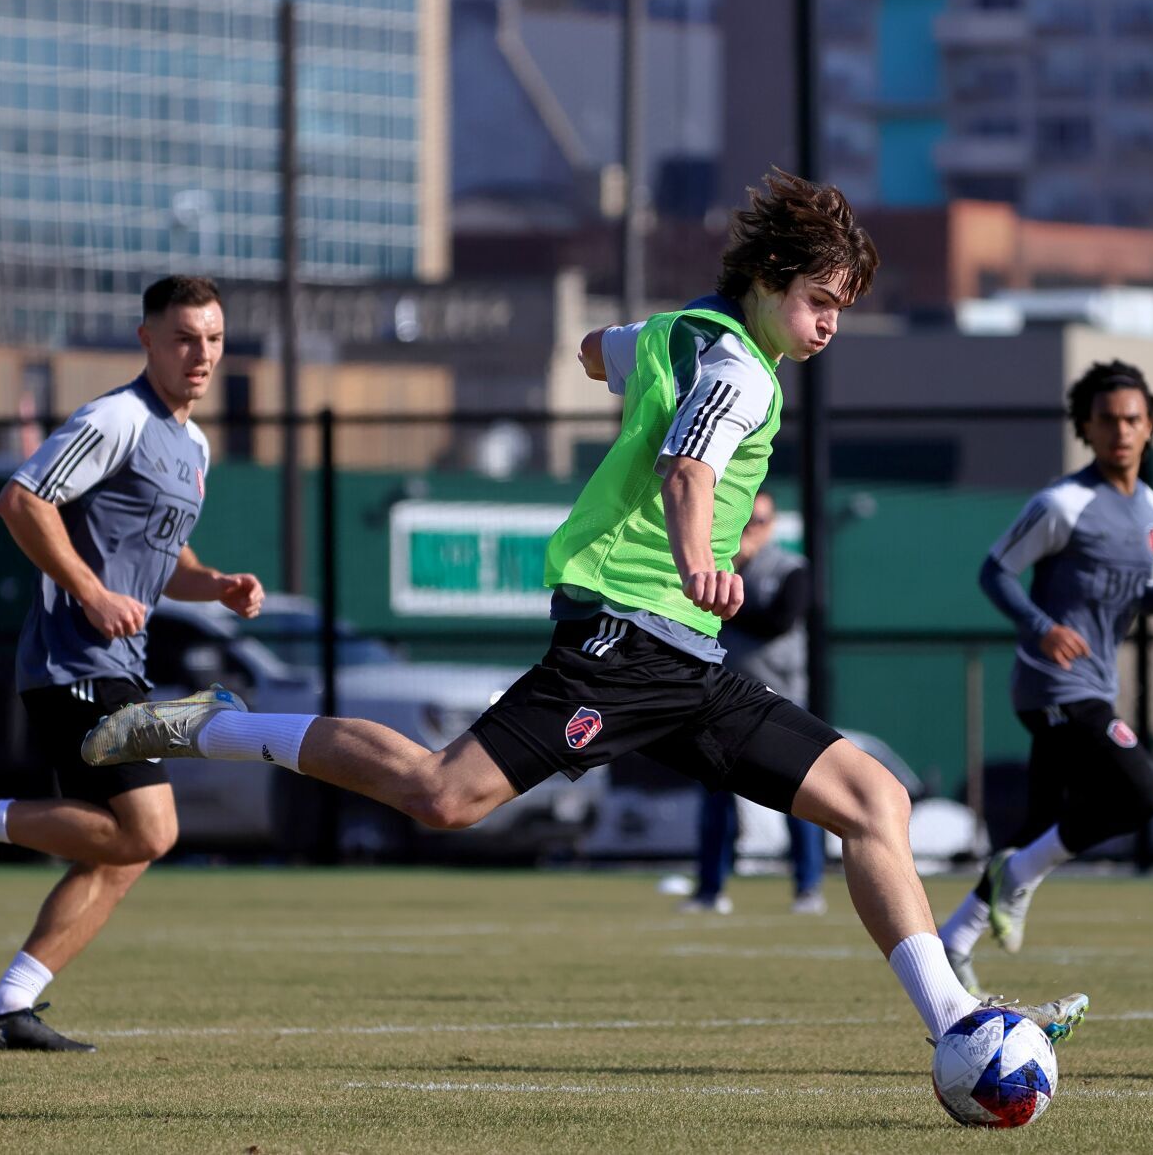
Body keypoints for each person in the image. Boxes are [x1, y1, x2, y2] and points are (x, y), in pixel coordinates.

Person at [81, 170, 1089, 1049]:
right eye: (819, 302)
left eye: (840, 308)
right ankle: (217, 725)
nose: (828, 324)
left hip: (682, 661)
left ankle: (954, 1021)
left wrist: (636, 360)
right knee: (442, 798)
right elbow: (687, 465)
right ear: (770, 284)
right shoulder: (738, 366)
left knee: (876, 803)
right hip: (624, 637)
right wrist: (697, 559)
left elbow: (589, 350)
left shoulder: (684, 333)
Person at [0, 276, 266, 1051]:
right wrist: (87, 591)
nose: (202, 354)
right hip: (73, 661)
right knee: (150, 831)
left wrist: (214, 584)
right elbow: (23, 501)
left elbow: (162, 554)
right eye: (185, 337)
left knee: (118, 850)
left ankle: (4, 1009)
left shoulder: (192, 445)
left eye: (214, 338)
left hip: (119, 662)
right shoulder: (115, 417)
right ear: (146, 339)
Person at [937, 361, 1153, 995]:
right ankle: (1012, 879)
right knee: (1141, 795)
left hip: (1095, 683)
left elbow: (1134, 598)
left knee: (1040, 828)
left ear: (1150, 427)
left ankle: (954, 940)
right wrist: (1041, 627)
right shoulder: (1061, 504)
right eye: (1107, 419)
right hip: (1052, 686)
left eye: (1133, 419)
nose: (1121, 430)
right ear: (1085, 426)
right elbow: (994, 572)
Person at [680, 489, 827, 916]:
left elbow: (780, 620)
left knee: (798, 798)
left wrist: (723, 605)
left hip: (778, 698)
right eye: (744, 522)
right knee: (715, 803)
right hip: (720, 700)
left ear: (773, 525)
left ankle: (808, 888)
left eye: (759, 522)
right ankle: (709, 890)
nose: (750, 531)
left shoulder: (790, 568)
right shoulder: (713, 566)